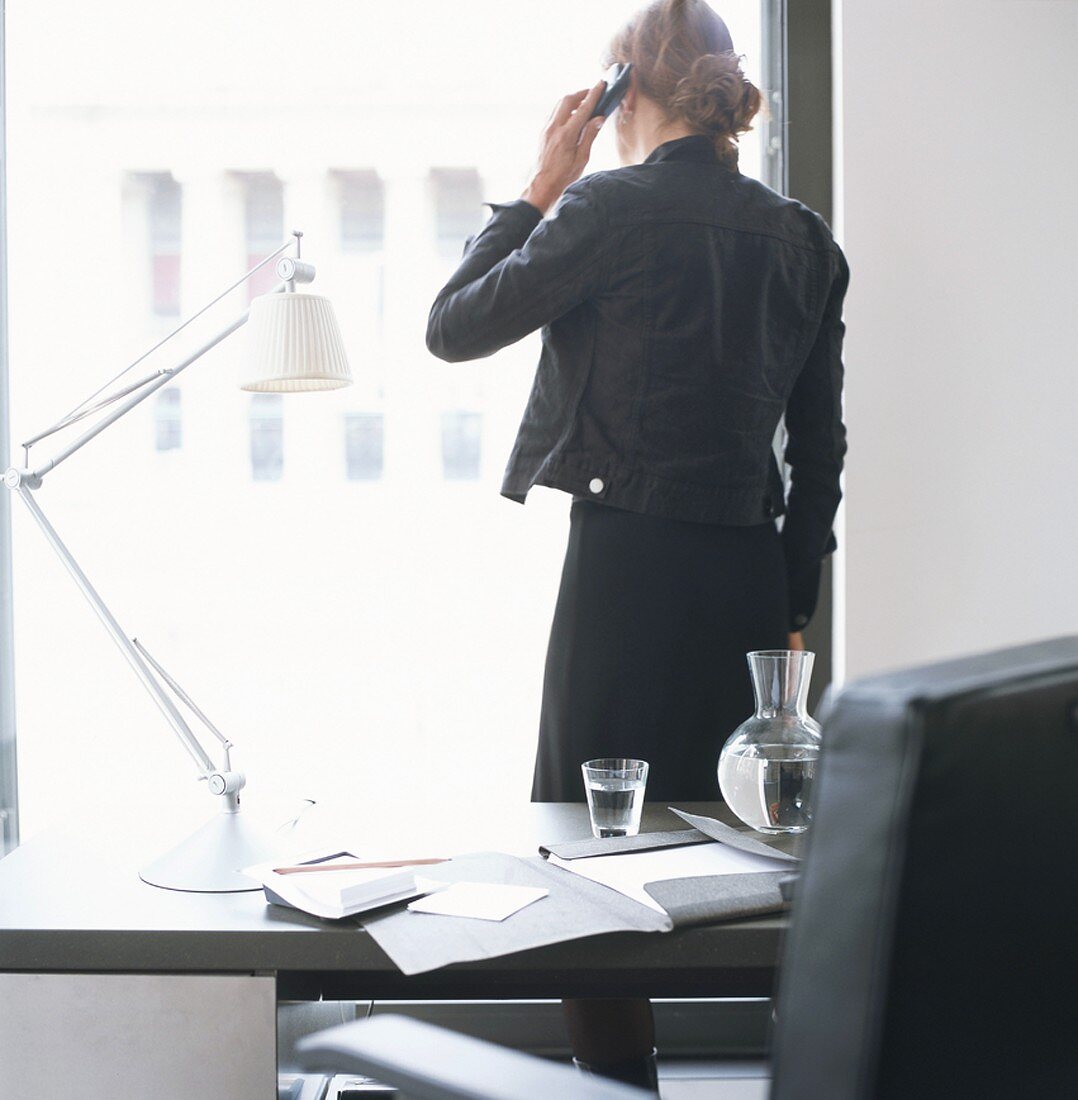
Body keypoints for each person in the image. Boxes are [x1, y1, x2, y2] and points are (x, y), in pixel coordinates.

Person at [427, 0, 847, 1088]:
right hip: (750, 579)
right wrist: (792, 600)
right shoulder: (804, 239)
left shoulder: (603, 210)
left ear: (622, 90)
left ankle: (624, 1088)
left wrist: (537, 186)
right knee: (752, 852)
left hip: (620, 571)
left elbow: (454, 325)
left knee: (593, 850)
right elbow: (820, 446)